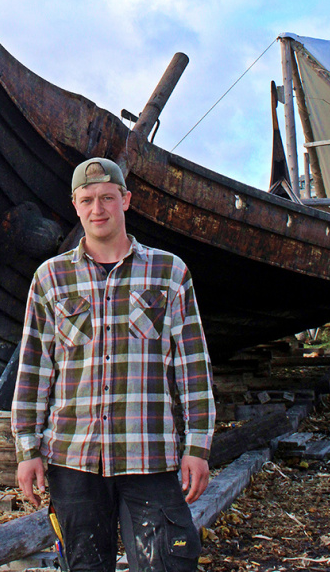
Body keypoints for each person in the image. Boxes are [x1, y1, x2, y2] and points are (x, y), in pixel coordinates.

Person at [12, 156, 215, 572]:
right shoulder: (50, 279)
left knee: (168, 565)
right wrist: (27, 449)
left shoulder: (169, 273)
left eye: (107, 197)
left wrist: (197, 447)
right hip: (73, 459)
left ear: (126, 200)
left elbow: (193, 367)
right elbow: (34, 369)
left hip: (150, 455)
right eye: (87, 200)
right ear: (75, 205)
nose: (97, 209)